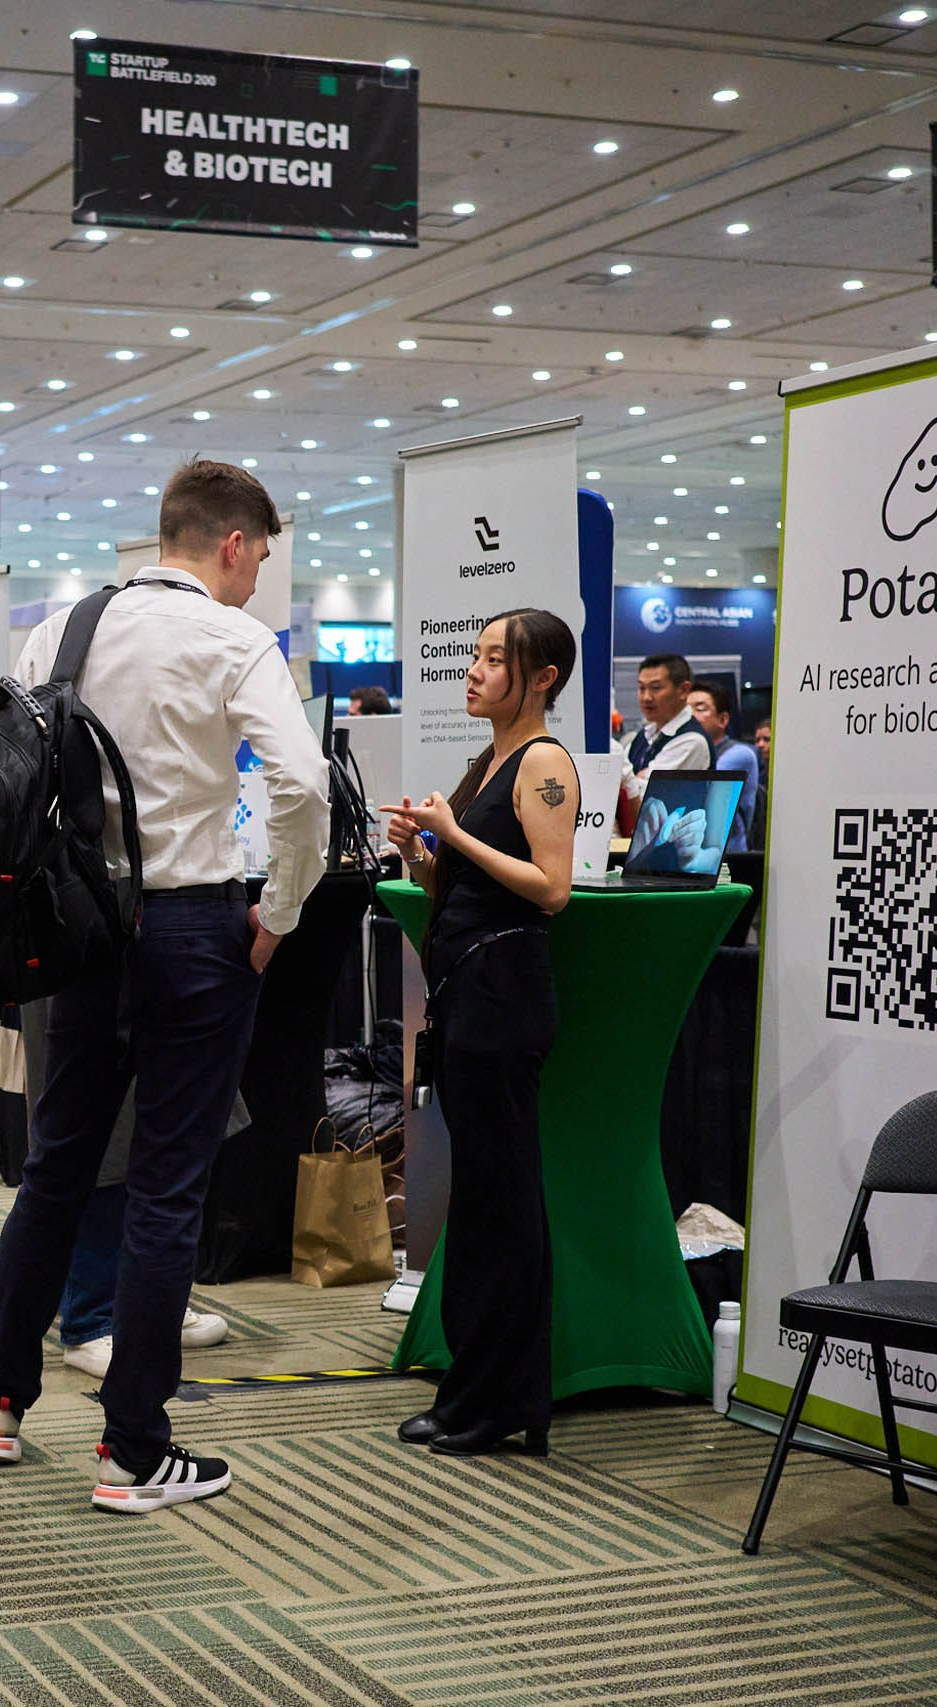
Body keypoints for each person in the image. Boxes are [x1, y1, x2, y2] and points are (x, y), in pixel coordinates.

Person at [0, 459, 325, 1515]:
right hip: (195, 926)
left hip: (79, 928)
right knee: (164, 1186)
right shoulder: (231, 636)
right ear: (237, 545)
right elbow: (298, 780)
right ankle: (132, 1451)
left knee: (57, 1169)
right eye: (260, 560)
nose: (254, 580)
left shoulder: (57, 631)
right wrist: (283, 912)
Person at [384, 609, 580, 1459]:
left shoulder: (543, 762)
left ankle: (502, 1399)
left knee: (504, 1206)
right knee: (482, 1203)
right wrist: (425, 855)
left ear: (541, 677)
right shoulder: (490, 759)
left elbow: (551, 887)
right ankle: (473, 1388)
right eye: (475, 654)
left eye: (494, 658)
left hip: (505, 1003)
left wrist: (453, 832)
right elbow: (459, 891)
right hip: (468, 996)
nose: (474, 670)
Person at [621, 652, 710, 814]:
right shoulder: (645, 734)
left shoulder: (692, 741)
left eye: (655, 688)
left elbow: (647, 799)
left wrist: (630, 778)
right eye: (641, 688)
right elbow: (622, 787)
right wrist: (636, 779)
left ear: (684, 690)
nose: (646, 697)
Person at [686, 682, 762, 852]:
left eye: (700, 708)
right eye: (686, 709)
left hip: (728, 854)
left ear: (723, 719)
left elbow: (706, 786)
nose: (691, 715)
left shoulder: (740, 754)